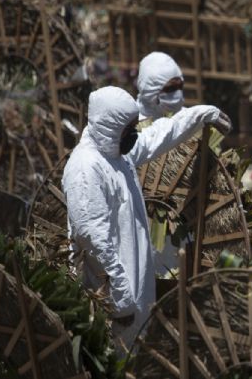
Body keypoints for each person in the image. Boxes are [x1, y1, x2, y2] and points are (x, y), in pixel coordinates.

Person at [62, 86, 231, 351]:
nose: (134, 134)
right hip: (112, 306)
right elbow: (93, 238)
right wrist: (121, 302)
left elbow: (159, 135)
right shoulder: (86, 168)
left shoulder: (118, 155)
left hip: (135, 298)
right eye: (129, 128)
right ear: (110, 126)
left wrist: (201, 114)